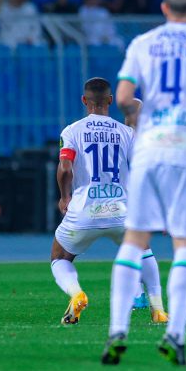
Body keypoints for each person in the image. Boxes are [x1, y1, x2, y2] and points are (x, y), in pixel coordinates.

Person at [102, 0, 186, 366]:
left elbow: (124, 96)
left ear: (163, 8)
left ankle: (117, 331)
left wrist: (139, 119)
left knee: (134, 241)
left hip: (151, 152)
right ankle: (174, 334)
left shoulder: (142, 44)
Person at [53, 77, 168, 326]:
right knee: (144, 251)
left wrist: (64, 197)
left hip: (84, 209)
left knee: (60, 256)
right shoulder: (125, 132)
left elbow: (65, 168)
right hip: (121, 209)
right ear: (110, 101)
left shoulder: (72, 131)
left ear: (84, 101)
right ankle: (158, 308)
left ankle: (77, 293)